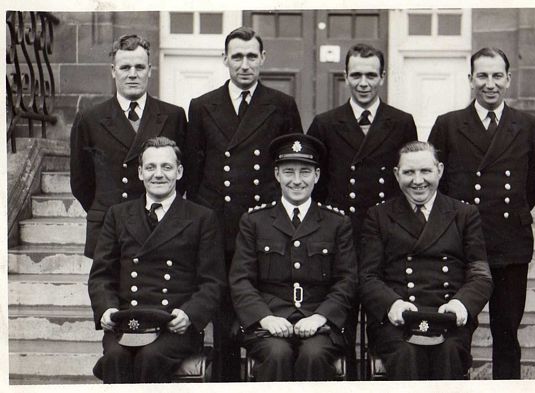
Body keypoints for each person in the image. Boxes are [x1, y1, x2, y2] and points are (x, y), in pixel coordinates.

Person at [184, 26, 303, 381]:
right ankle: (223, 381)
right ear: (225, 60)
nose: (245, 64)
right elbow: (192, 168)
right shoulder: (203, 106)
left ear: (263, 59)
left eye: (252, 56)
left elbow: (292, 168)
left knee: (263, 309)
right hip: (217, 225)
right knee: (221, 315)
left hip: (264, 226)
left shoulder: (282, 105)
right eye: (237, 56)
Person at [428, 47, 535, 379]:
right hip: (460, 246)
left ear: (508, 80)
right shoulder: (448, 125)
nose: (489, 84)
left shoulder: (526, 124)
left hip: (511, 244)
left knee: (507, 333)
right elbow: (435, 181)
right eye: (482, 76)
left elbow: (533, 182)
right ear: (470, 80)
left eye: (497, 76)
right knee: (457, 330)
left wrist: (513, 214)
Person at [88, 136, 226, 383]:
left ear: (179, 171)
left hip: (173, 325)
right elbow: (102, 275)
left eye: (167, 167)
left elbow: (212, 282)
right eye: (151, 167)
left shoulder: (202, 218)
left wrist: (190, 315)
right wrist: (106, 308)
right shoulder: (118, 215)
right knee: (115, 357)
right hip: (126, 320)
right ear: (140, 173)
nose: (158, 174)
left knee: (150, 357)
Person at [359, 141, 493, 380]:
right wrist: (392, 304)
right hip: (398, 319)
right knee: (406, 354)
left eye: (425, 171)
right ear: (396, 174)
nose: (418, 180)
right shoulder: (378, 216)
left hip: (447, 316)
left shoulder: (463, 214)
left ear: (439, 171)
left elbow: (480, 274)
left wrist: (460, 304)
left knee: (449, 352)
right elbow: (368, 277)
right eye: (409, 172)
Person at [229, 134, 357, 381]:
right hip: (269, 321)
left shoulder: (336, 223)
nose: (297, 181)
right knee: (277, 354)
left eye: (305, 172)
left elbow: (347, 279)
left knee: (314, 355)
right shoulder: (254, 221)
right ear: (277, 175)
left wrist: (320, 317)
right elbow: (241, 280)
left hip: (320, 321)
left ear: (317, 176)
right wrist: (265, 318)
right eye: (289, 172)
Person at [70, 34, 187, 259]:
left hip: (158, 223)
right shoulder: (90, 118)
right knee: (107, 291)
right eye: (125, 67)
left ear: (150, 70)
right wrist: (108, 210)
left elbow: (184, 174)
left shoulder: (173, 115)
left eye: (140, 67)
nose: (133, 74)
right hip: (108, 226)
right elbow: (81, 181)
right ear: (113, 70)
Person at [307, 43, 417, 239]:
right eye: (356, 75)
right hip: (339, 229)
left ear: (382, 77)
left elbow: (409, 180)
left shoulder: (402, 122)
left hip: (387, 229)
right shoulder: (325, 123)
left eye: (371, 75)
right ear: (346, 77)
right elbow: (313, 183)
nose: (363, 83)